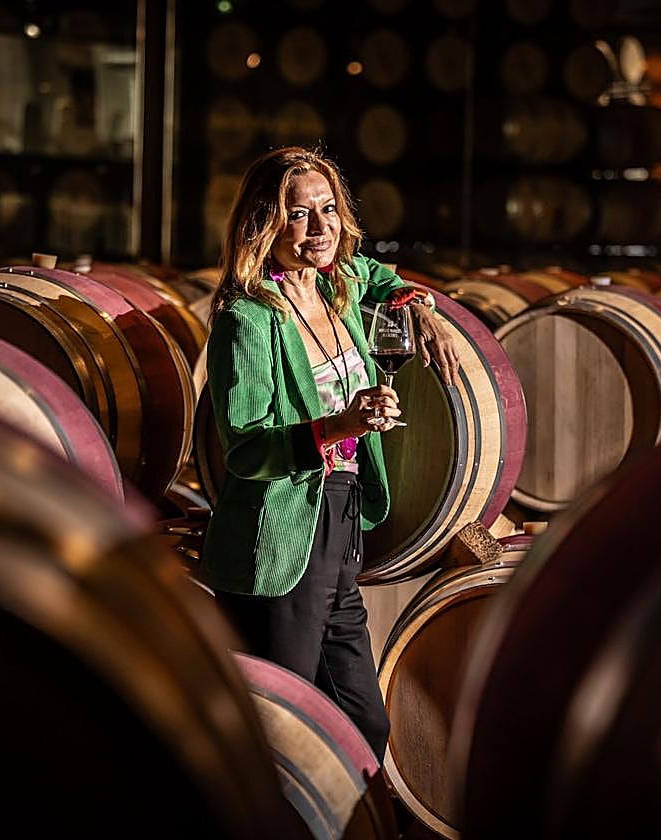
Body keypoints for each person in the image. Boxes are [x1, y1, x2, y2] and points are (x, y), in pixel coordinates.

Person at [201, 146, 460, 760]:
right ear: (265, 224)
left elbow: (382, 276)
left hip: (342, 519)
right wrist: (341, 423)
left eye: (329, 210)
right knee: (286, 724)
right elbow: (244, 448)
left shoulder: (340, 283)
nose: (320, 228)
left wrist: (420, 308)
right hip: (284, 530)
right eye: (299, 214)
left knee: (365, 723)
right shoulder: (247, 317)